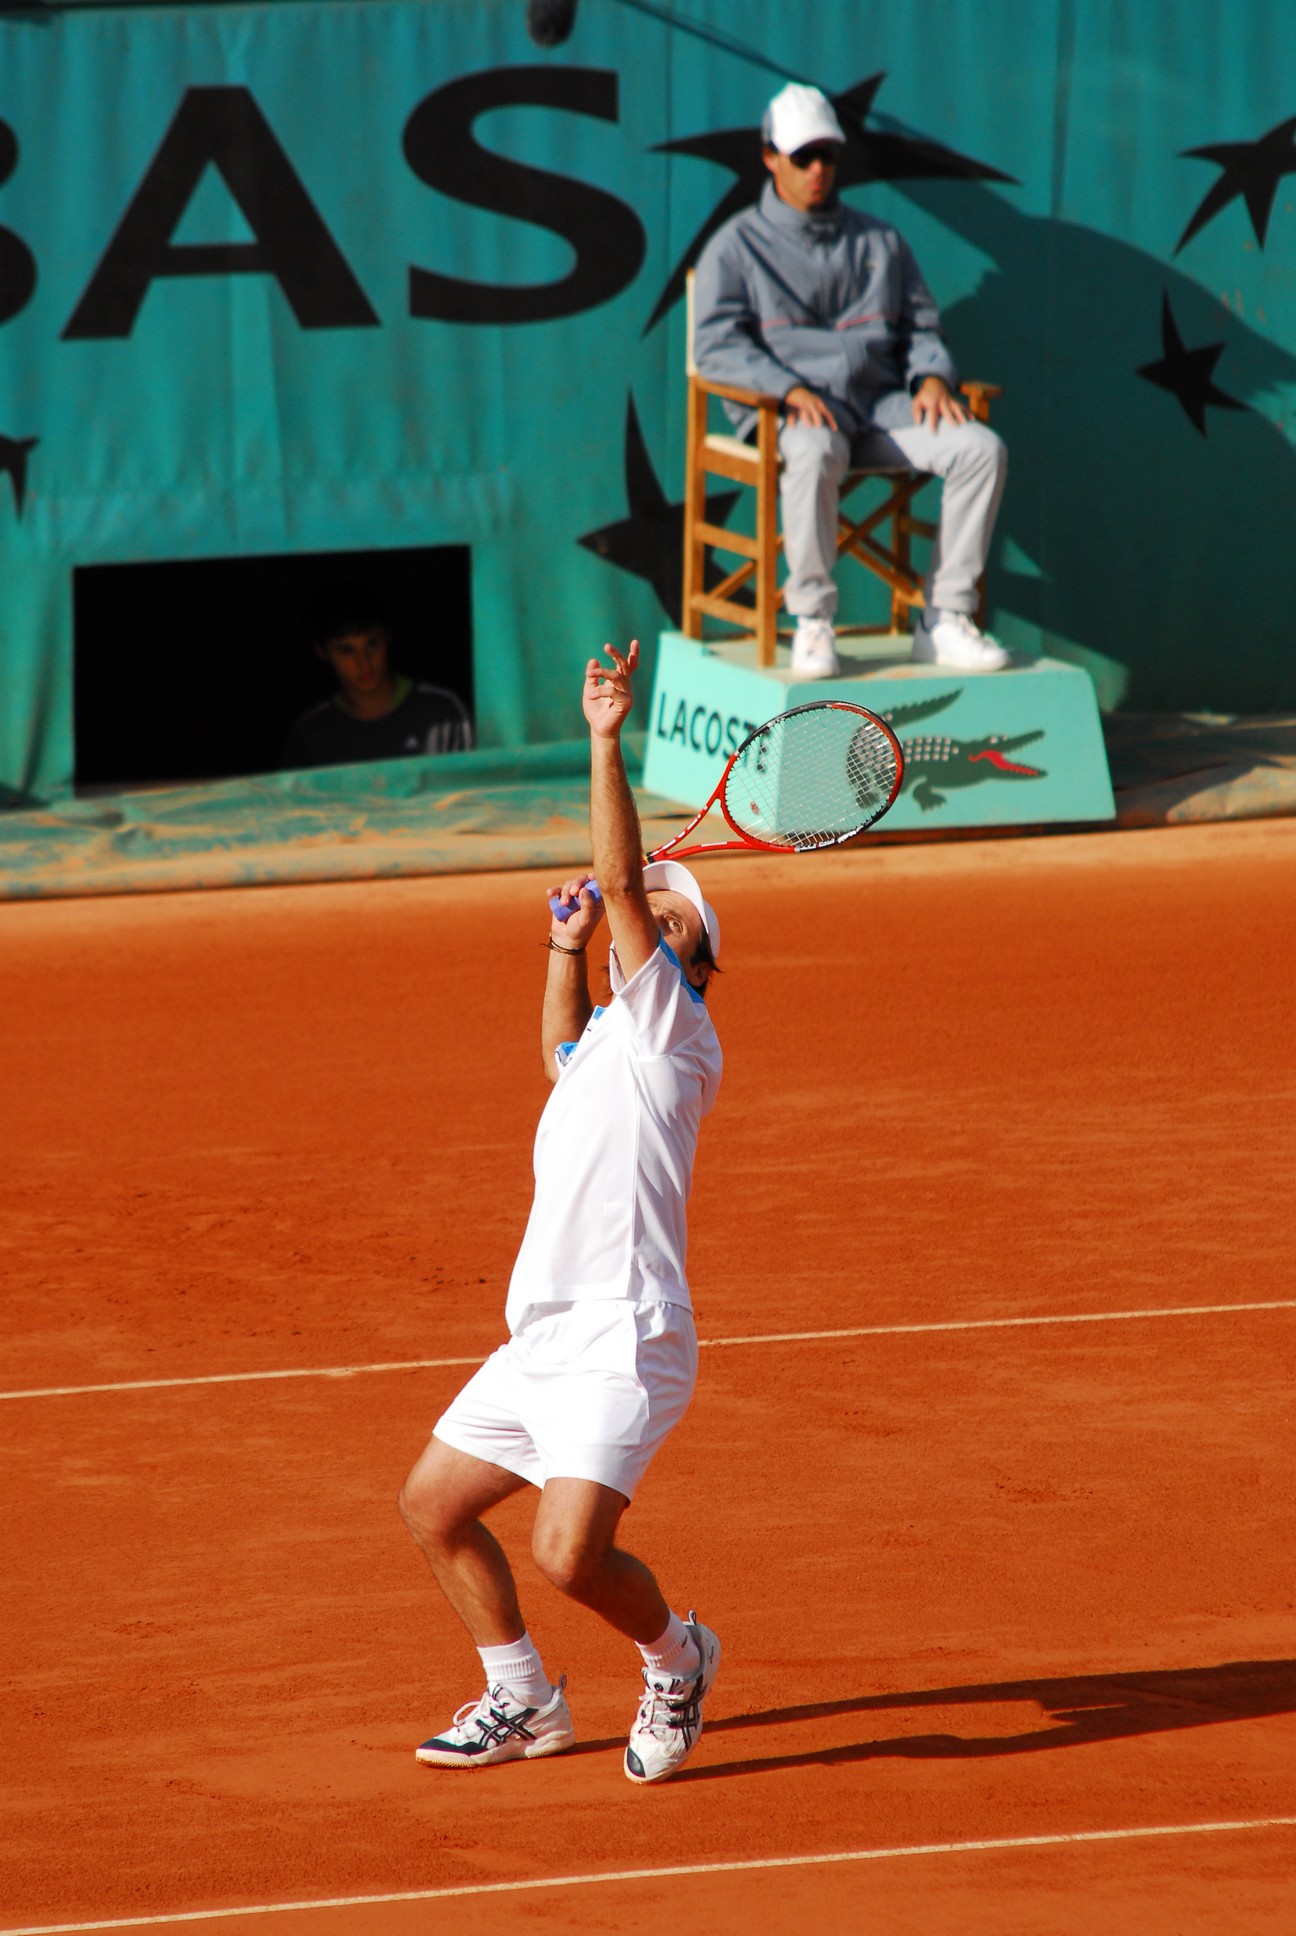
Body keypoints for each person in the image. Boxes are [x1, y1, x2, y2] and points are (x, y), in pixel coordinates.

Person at [398, 637, 724, 1785]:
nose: (650, 922)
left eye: (671, 924)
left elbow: (629, 882)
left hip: (625, 1335)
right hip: (544, 1334)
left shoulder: (676, 1037)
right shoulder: (604, 1053)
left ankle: (678, 1660)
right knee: (434, 1504)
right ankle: (523, 1698)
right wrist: (558, 945)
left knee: (568, 1553)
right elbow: (556, 1046)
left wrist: (602, 737)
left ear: (690, 965)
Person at [694, 82, 1011, 679]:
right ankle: (812, 621)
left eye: (828, 156)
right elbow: (714, 345)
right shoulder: (734, 247)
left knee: (981, 449)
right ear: (769, 157)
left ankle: (942, 619)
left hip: (883, 409)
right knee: (812, 452)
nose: (818, 169)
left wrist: (933, 376)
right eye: (802, 157)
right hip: (799, 419)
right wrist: (785, 390)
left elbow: (920, 326)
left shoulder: (881, 241)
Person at [282, 588, 474, 769]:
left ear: (388, 638)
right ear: (322, 652)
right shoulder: (311, 733)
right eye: (346, 650)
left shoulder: (441, 710)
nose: (363, 663)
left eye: (372, 644)